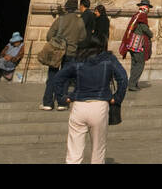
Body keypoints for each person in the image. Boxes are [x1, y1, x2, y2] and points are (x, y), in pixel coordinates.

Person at [52, 35, 128, 164]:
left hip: (79, 106)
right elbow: (123, 78)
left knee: (74, 152)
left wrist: (63, 98)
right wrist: (117, 98)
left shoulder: (77, 61)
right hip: (100, 106)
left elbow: (59, 78)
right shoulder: (109, 59)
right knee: (98, 151)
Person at [42, 0, 87, 111]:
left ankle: (47, 103)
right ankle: (62, 103)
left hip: (57, 52)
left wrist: (57, 41)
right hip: (71, 53)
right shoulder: (79, 21)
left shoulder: (60, 20)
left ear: (66, 8)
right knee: (66, 78)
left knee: (52, 76)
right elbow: (83, 38)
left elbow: (49, 36)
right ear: (76, 8)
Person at [118, 0, 153, 91]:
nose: (149, 9)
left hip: (132, 44)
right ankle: (132, 84)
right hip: (138, 45)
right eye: (148, 7)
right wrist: (151, 34)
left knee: (134, 64)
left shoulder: (136, 15)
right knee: (140, 64)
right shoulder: (142, 16)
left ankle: (133, 83)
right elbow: (144, 28)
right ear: (146, 8)